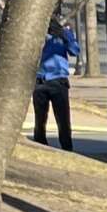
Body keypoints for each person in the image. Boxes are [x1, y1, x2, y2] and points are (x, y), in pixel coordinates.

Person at [33, 12, 80, 150]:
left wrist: (67, 37)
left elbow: (75, 51)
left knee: (63, 119)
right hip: (40, 80)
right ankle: (40, 145)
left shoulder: (63, 34)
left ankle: (67, 148)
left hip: (58, 81)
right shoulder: (38, 34)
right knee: (40, 119)